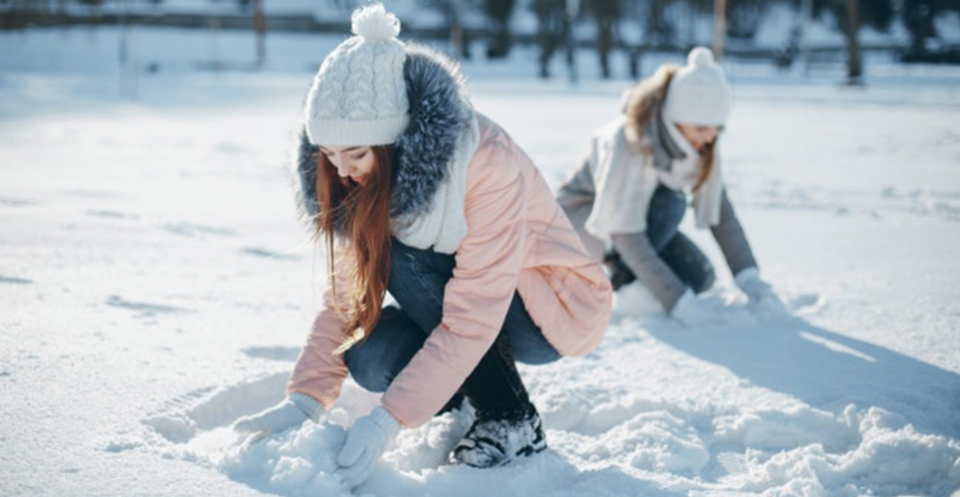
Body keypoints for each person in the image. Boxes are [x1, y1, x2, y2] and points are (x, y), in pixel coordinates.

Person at [232, 4, 612, 489]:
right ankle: (459, 396)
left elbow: (472, 316)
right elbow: (345, 298)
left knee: (400, 256)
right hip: (465, 304)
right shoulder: (359, 181)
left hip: (548, 309)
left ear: (392, 140)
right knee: (369, 355)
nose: (342, 171)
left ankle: (511, 418)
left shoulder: (484, 161)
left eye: (356, 153)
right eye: (328, 155)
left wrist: (388, 421)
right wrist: (305, 399)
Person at [556, 47, 783, 326]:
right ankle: (623, 278)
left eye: (717, 128)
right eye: (702, 128)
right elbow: (624, 230)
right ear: (676, 120)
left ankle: (637, 275)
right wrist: (678, 302)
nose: (710, 137)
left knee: (700, 277)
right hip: (584, 226)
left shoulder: (697, 144)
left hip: (638, 223)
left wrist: (749, 276)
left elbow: (721, 212)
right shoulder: (629, 140)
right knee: (671, 202)